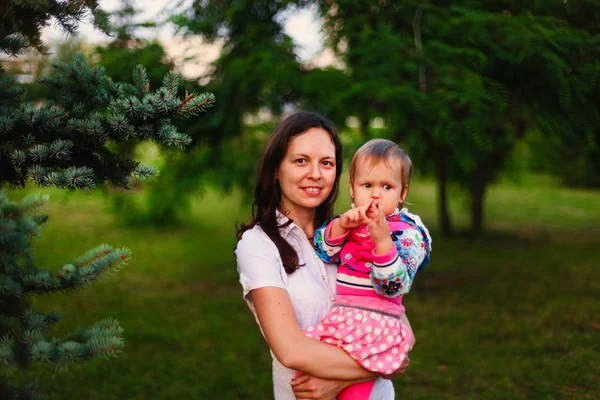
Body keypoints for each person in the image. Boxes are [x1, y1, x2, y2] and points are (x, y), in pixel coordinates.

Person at [235, 113, 408, 400]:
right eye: (300, 160)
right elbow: (291, 349)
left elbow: (402, 335)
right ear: (276, 169)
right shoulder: (257, 246)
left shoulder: (357, 233)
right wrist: (378, 363)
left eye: (326, 163)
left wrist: (338, 381)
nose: (315, 173)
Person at [307, 138, 432, 399]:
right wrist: (340, 227)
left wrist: (383, 241)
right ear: (353, 189)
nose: (375, 194)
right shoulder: (350, 222)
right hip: (342, 319)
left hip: (376, 323)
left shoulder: (407, 234)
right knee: (308, 382)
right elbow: (322, 250)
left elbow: (392, 287)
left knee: (354, 394)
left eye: (387, 186)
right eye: (367, 185)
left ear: (403, 192)